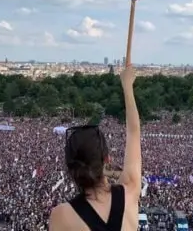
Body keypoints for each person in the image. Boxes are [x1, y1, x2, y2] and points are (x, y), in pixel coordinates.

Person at [49, 65, 142, 231]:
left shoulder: (61, 216)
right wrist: (127, 88)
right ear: (107, 159)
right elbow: (134, 132)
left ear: (71, 167)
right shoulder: (130, 193)